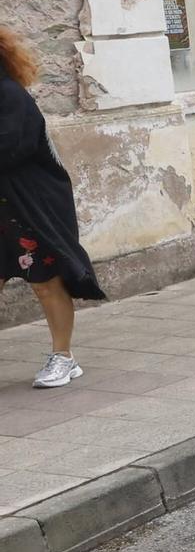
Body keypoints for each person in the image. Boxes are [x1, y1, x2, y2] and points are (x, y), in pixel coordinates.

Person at [0, 25, 106, 387]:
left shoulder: (10, 96)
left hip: (30, 206)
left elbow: (10, 150)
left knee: (45, 283)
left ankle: (63, 357)